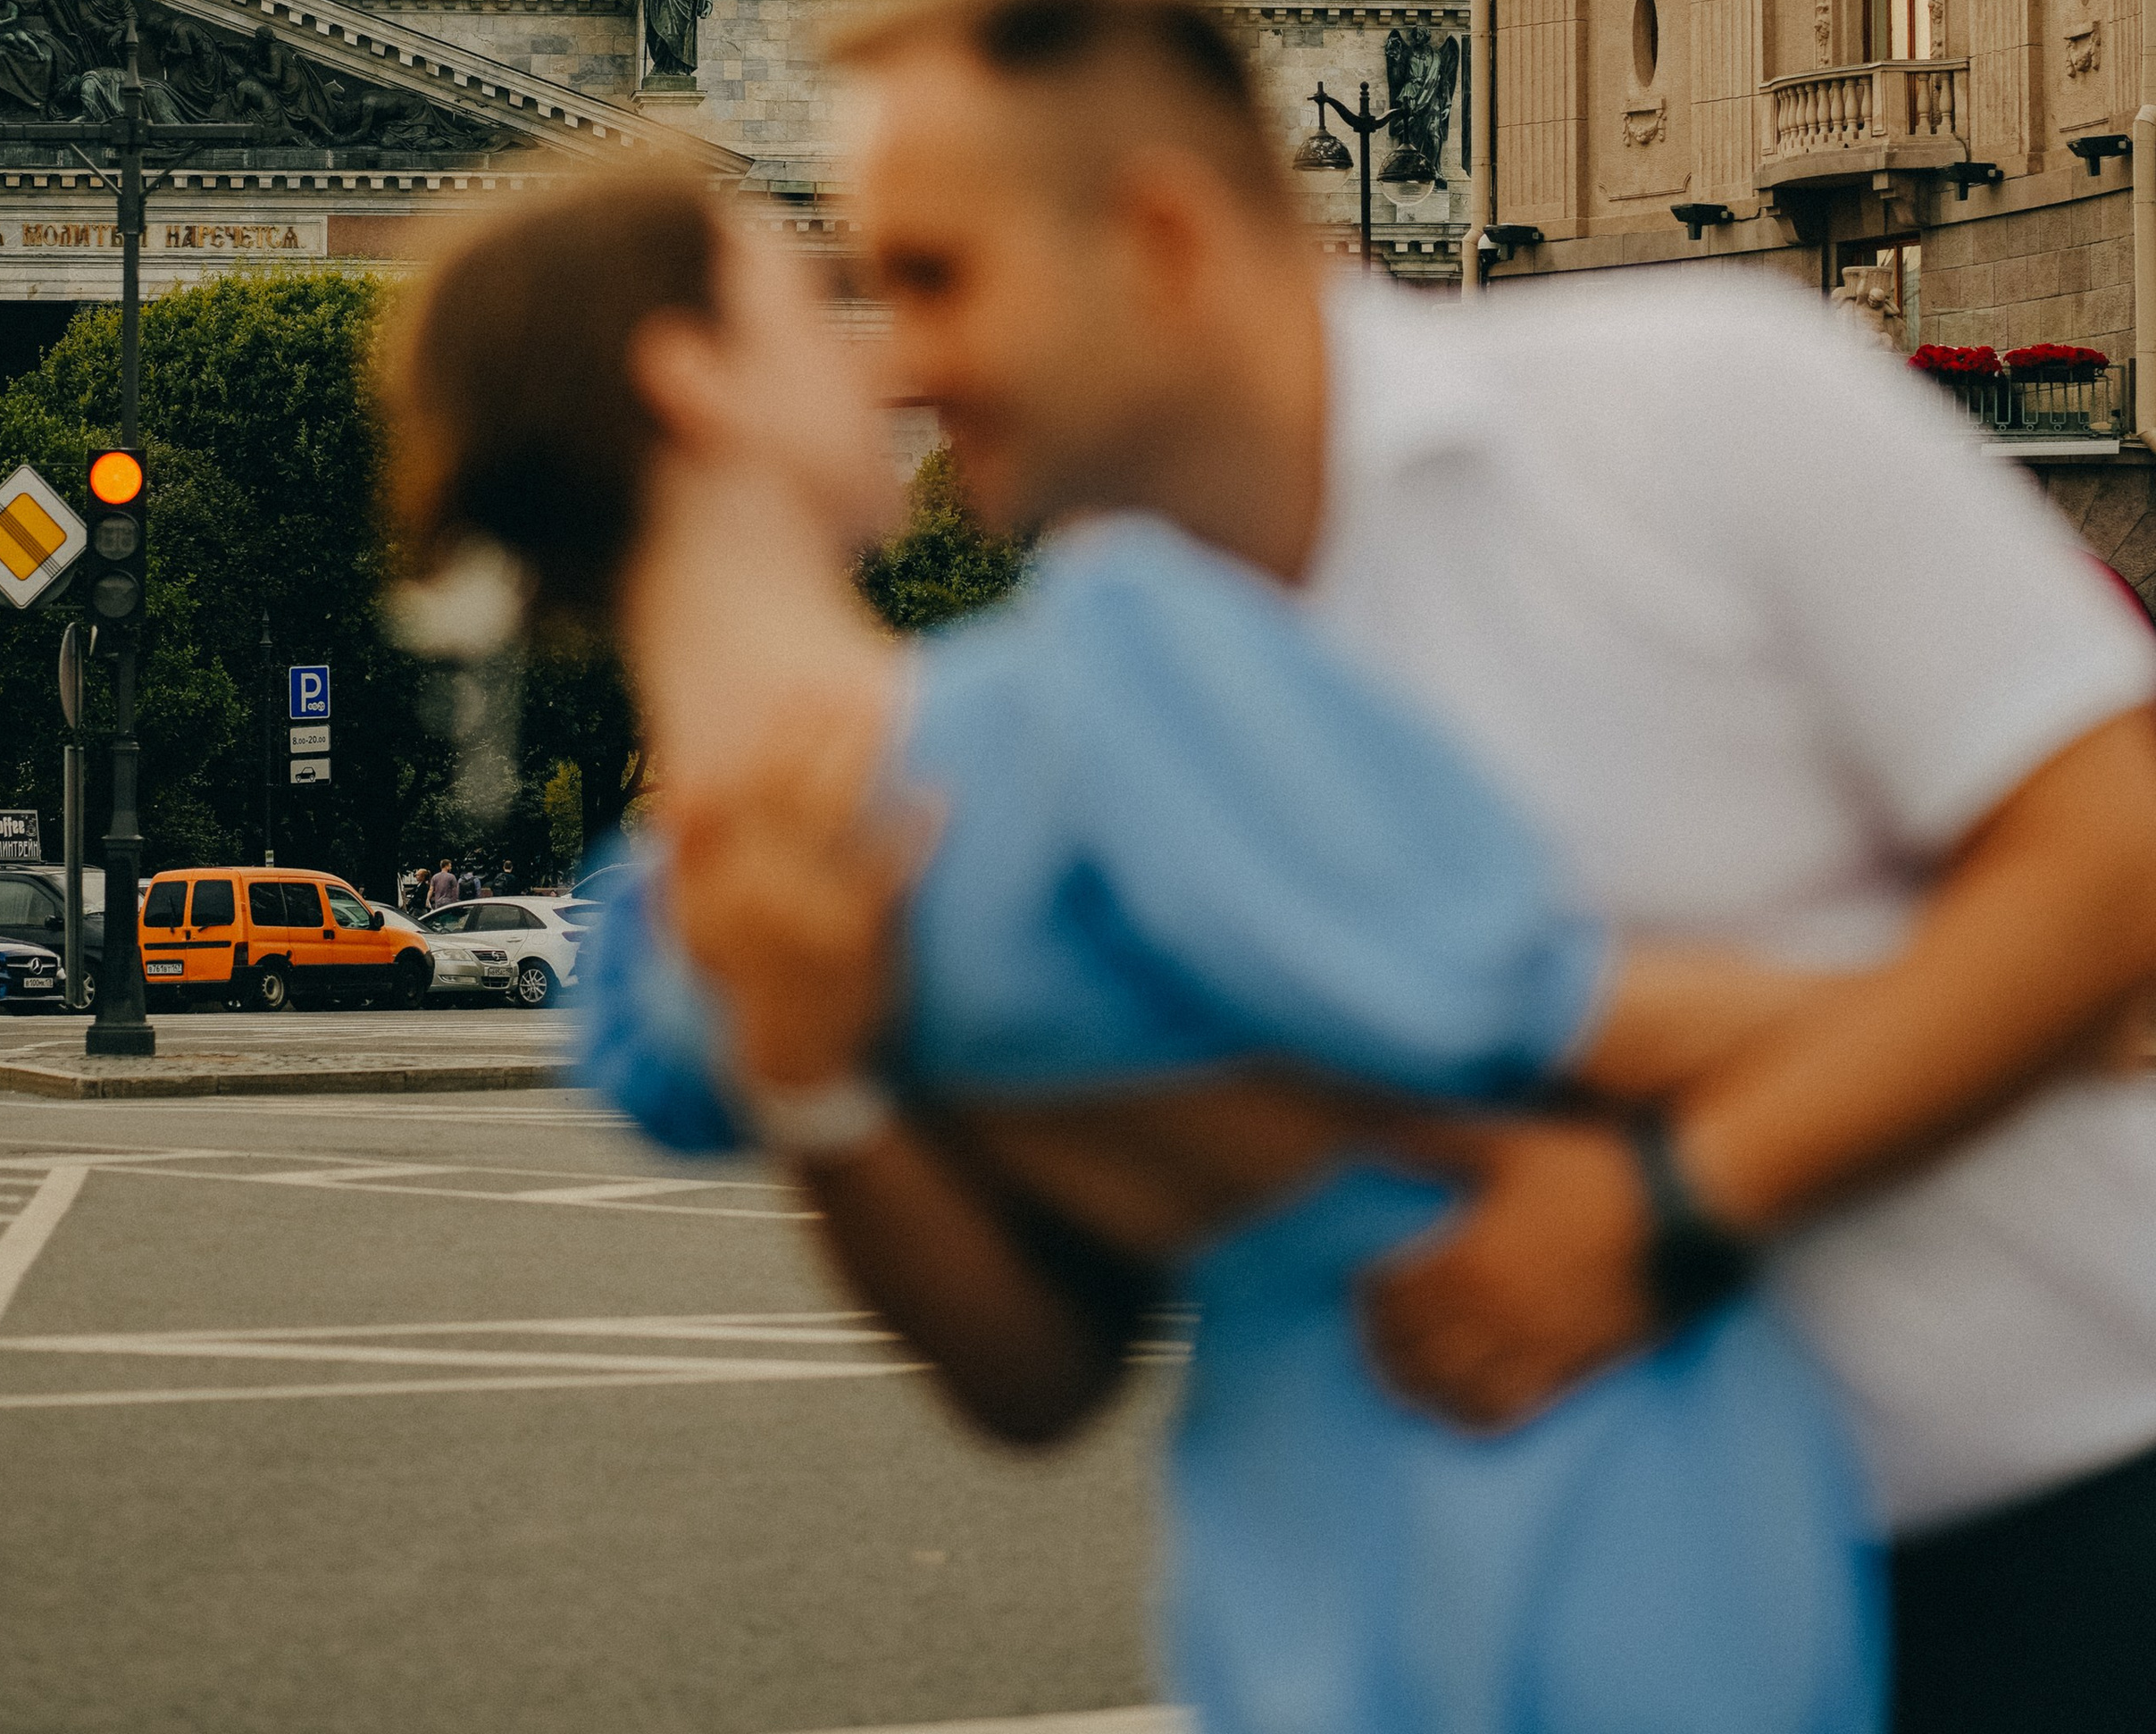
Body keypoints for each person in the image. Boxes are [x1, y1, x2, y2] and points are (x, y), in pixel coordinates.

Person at [712, 0, 2156, 1734]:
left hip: (2049, 1548)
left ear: (1157, 235)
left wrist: (1666, 1210)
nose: (898, 363)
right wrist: (821, 1084)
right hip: (1533, 1645)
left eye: (931, 278)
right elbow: (1041, 1372)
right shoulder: (1074, 695)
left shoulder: (1700, 400)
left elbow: (2111, 864)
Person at [389, 159, 1886, 1734]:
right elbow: (1593, 1026)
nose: (889, 357)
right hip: (1611, 1511)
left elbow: (1037, 1384)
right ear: (686, 381)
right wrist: (2061, 992)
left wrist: (829, 1084)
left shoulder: (670, 951)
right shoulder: (1111, 684)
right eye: (819, 308)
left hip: (1286, 1591)